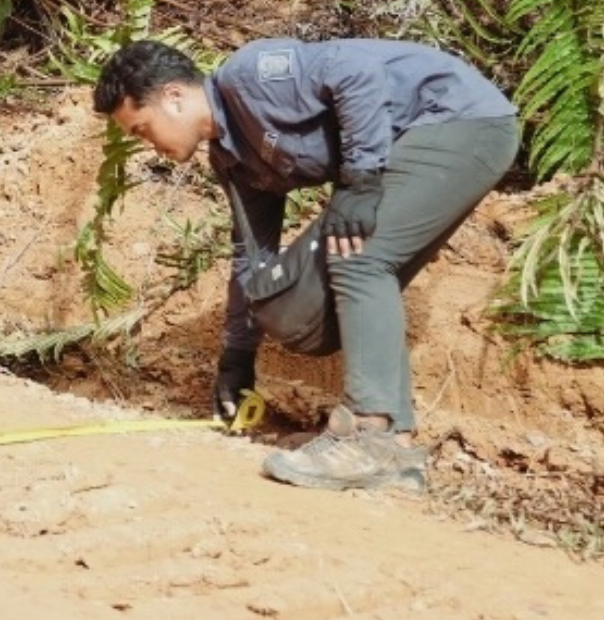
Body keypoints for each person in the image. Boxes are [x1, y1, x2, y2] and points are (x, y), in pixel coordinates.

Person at [92, 38, 519, 492]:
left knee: (357, 256)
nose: (148, 145)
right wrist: (237, 356)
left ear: (173, 98)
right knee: (285, 302)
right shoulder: (232, 158)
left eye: (141, 129)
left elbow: (355, 71)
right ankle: (394, 446)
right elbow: (252, 257)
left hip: (460, 121)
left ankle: (366, 436)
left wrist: (360, 179)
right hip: (423, 142)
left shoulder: (249, 76)